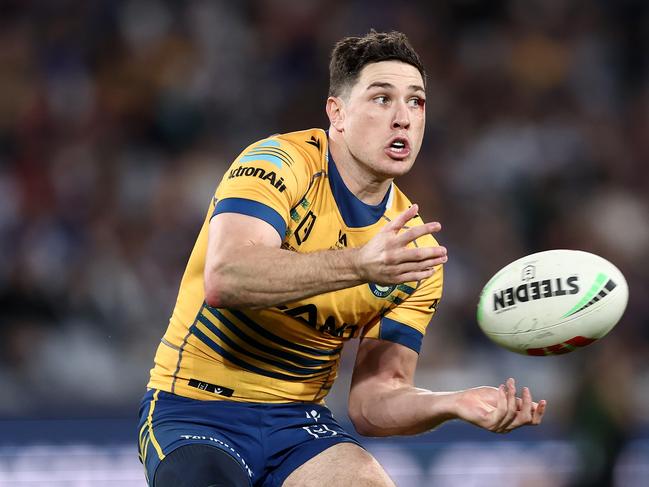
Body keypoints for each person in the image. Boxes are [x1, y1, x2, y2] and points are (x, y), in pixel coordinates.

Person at [137, 30, 547, 487]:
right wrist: (358, 265)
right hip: (197, 410)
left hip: (297, 425)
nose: (402, 118)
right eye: (381, 98)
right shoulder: (278, 163)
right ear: (337, 112)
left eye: (416, 102)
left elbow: (373, 403)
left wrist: (451, 404)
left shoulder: (413, 251)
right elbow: (226, 277)